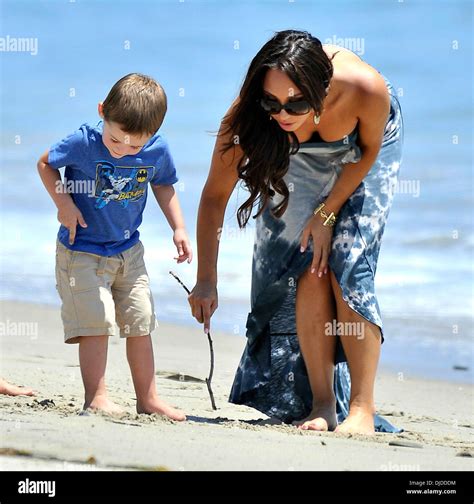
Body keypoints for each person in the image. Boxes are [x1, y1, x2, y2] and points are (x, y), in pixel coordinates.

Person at [188, 31, 404, 435]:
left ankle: (362, 408)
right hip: (298, 153)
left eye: (296, 103)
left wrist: (326, 214)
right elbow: (215, 196)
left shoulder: (365, 89)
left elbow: (370, 151)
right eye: (272, 102)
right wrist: (206, 280)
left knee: (347, 261)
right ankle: (322, 405)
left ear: (321, 90)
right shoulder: (250, 118)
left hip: (363, 146)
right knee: (302, 265)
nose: (283, 113)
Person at [37, 73, 192, 420]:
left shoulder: (158, 149)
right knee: (96, 321)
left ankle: (148, 398)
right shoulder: (83, 141)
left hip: (128, 251)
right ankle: (96, 396)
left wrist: (179, 227)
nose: (121, 149)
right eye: (115, 139)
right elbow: (45, 163)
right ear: (102, 112)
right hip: (82, 250)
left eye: (134, 146)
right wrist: (64, 204)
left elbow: (164, 185)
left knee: (141, 320)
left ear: (153, 135)